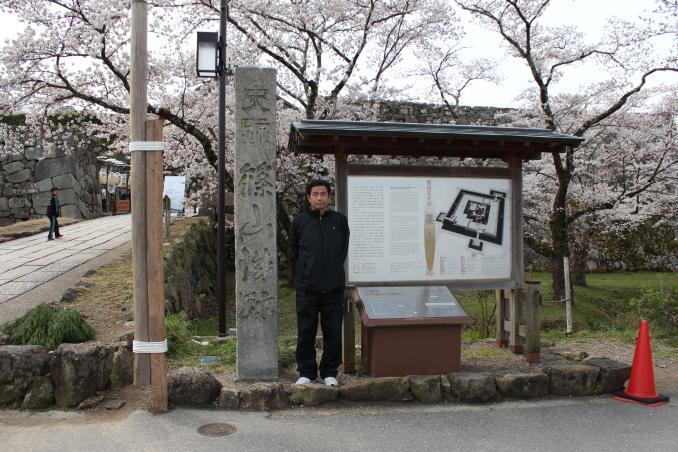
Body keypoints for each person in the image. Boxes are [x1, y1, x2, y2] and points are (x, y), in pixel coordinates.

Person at [290, 179, 350, 387]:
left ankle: (329, 372)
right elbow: (295, 251)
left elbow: (342, 250)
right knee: (305, 331)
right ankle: (306, 371)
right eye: (315, 194)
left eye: (323, 194)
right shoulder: (300, 222)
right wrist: (306, 271)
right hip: (307, 288)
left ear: (329, 197)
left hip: (333, 288)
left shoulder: (340, 221)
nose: (319, 198)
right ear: (308, 197)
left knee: (332, 332)